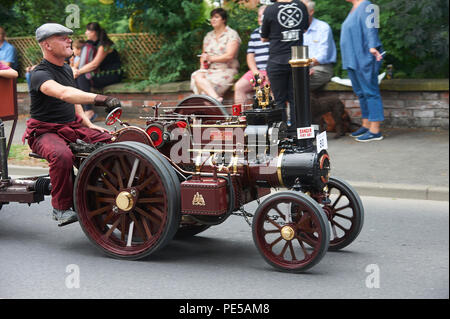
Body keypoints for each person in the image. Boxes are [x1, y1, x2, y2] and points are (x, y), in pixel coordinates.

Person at [23, 23, 121, 226]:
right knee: (62, 155)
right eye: (62, 37)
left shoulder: (67, 69)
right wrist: (100, 99)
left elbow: (73, 99)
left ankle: (99, 191)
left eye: (69, 36)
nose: (69, 40)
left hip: (71, 127)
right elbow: (64, 93)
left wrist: (88, 124)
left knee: (113, 141)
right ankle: (60, 208)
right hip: (44, 132)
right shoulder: (39, 74)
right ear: (47, 45)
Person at [260, 0, 309, 135]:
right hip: (297, 59)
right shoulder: (301, 6)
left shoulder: (270, 10)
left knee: (280, 100)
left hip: (277, 60)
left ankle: (282, 135)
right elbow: (304, 29)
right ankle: (297, 133)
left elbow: (263, 37)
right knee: (297, 99)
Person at [341, 0, 384, 142]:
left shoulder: (368, 5)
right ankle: (366, 125)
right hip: (352, 59)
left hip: (365, 56)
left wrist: (373, 46)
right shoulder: (354, 8)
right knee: (361, 93)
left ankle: (375, 130)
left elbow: (372, 28)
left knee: (371, 92)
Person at [191, 8, 241, 103]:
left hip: (227, 70)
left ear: (224, 19)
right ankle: (217, 100)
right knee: (196, 76)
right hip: (210, 71)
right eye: (211, 17)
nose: (212, 20)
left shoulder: (231, 34)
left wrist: (211, 58)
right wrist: (202, 68)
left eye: (216, 17)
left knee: (204, 95)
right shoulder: (208, 36)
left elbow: (229, 56)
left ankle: (214, 109)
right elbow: (204, 56)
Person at [74, 22, 122, 121]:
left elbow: (95, 64)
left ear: (94, 32)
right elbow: (84, 62)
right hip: (101, 74)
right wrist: (75, 70)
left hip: (113, 74)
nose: (86, 32)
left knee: (82, 78)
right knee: (77, 78)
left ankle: (89, 111)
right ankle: (79, 111)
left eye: (88, 30)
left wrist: (78, 72)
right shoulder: (93, 44)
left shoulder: (104, 45)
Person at [234, 5, 270, 106]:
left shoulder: (276, 32)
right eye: (259, 16)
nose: (260, 19)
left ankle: (273, 119)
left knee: (272, 88)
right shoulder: (255, 33)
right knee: (239, 86)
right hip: (257, 71)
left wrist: (270, 72)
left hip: (273, 71)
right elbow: (250, 56)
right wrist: (255, 72)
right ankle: (242, 117)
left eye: (262, 16)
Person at [302, 0, 337, 91]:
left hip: (322, 68)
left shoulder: (323, 28)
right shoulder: (295, 30)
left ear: (311, 11)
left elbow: (322, 57)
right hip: (302, 68)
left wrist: (306, 66)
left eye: (302, 9)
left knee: (299, 83)